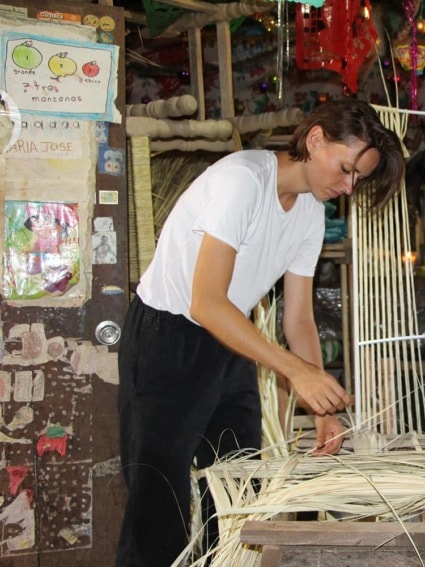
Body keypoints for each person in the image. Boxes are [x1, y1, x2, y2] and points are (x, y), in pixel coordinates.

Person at [116, 96, 405, 566]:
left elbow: (298, 319)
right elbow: (205, 302)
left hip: (231, 343)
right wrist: (297, 372)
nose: (349, 187)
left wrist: (321, 405)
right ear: (315, 139)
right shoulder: (242, 181)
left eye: (359, 179)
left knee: (235, 497)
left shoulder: (312, 209)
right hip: (167, 338)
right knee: (158, 507)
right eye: (347, 168)